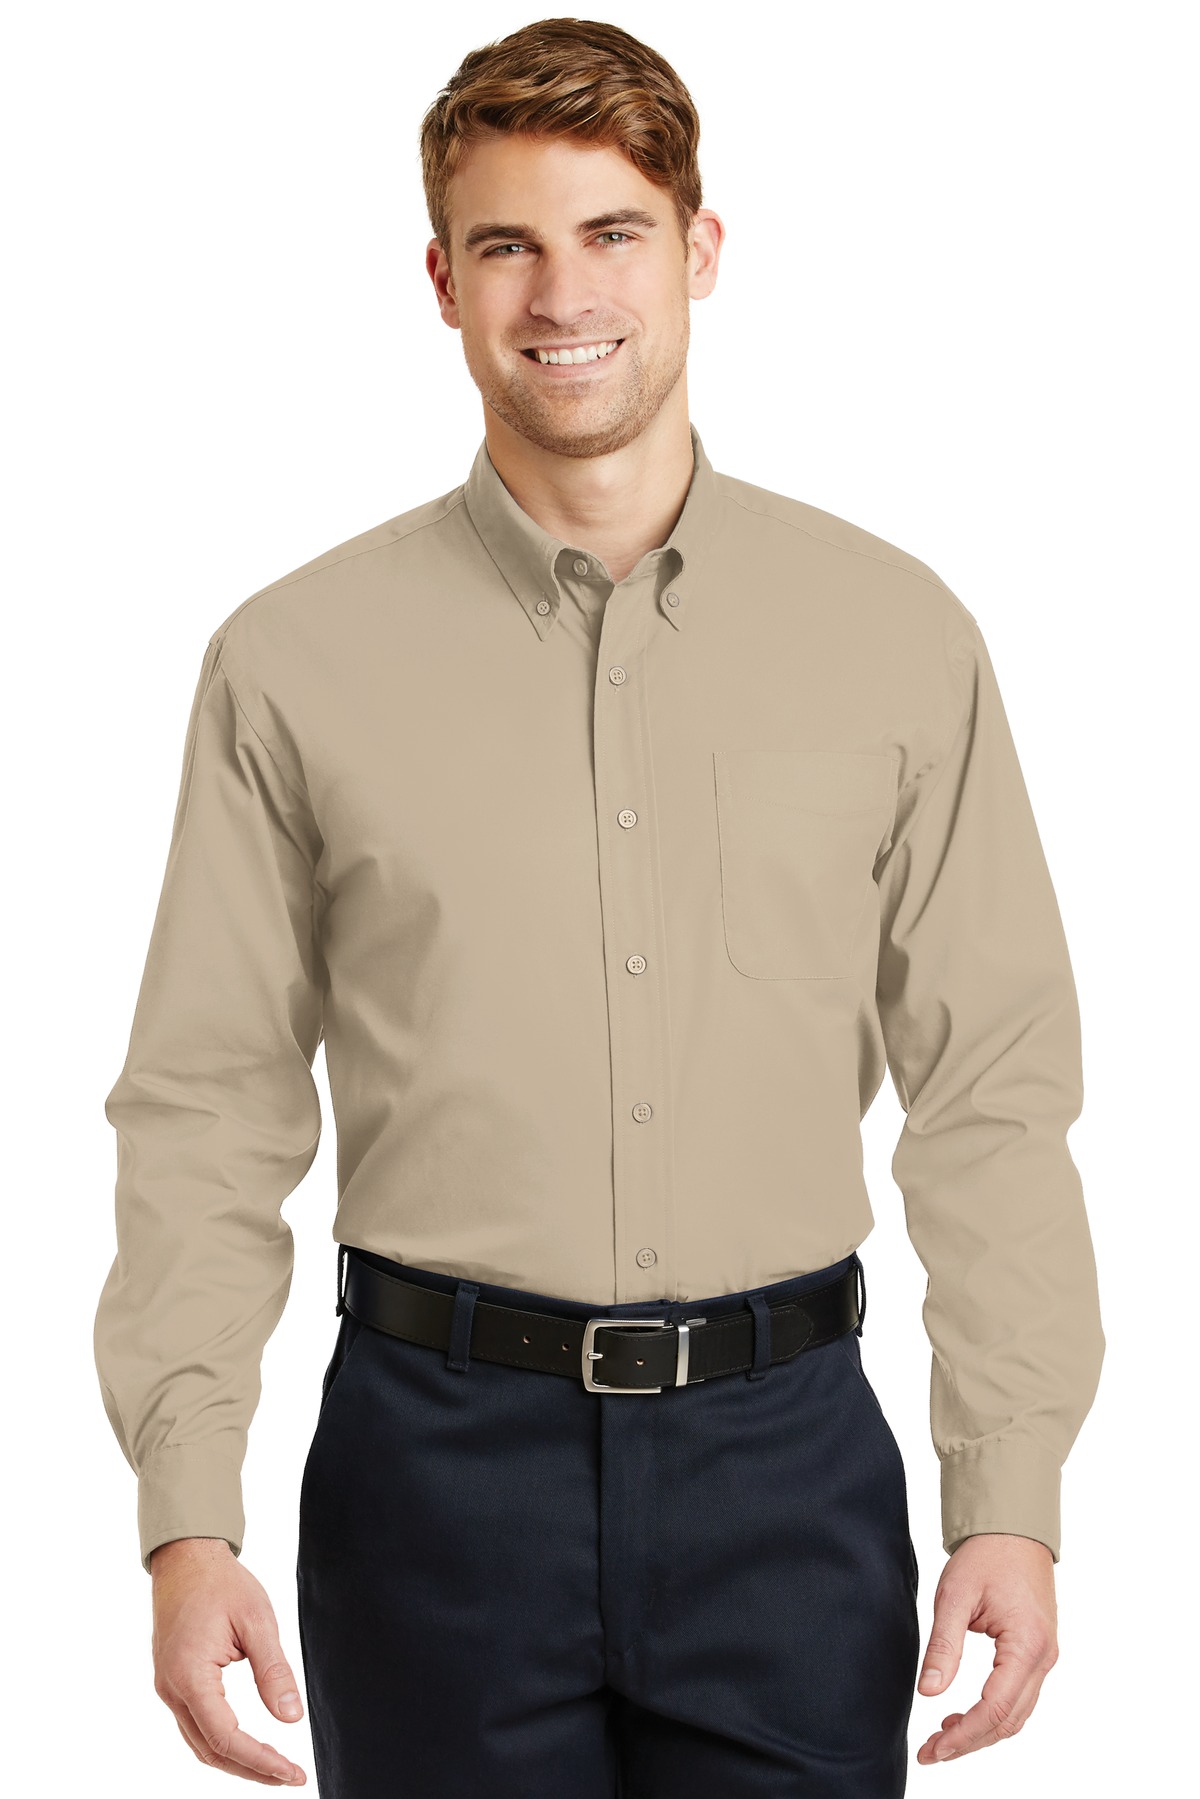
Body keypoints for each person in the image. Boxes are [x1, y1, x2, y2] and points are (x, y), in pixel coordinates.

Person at [93, 17, 1105, 1796]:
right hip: (433, 1475)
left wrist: (1009, 1493)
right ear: (441, 281)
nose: (563, 296)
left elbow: (993, 1089)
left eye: (613, 233)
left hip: (790, 1464)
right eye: (508, 244)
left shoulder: (895, 638)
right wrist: (188, 1518)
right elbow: (207, 1102)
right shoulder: (293, 662)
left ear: (701, 251)